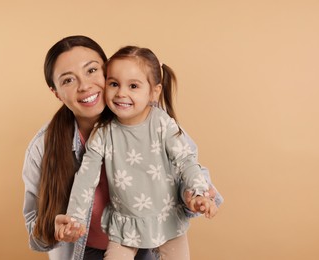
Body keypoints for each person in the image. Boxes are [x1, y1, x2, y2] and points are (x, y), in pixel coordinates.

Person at [22, 36, 223, 260]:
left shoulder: (155, 121)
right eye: (68, 80)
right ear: (56, 92)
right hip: (89, 250)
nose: (85, 86)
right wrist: (57, 227)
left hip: (154, 238)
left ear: (107, 71)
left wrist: (195, 194)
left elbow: (189, 164)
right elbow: (82, 182)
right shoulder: (43, 147)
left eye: (91, 71)